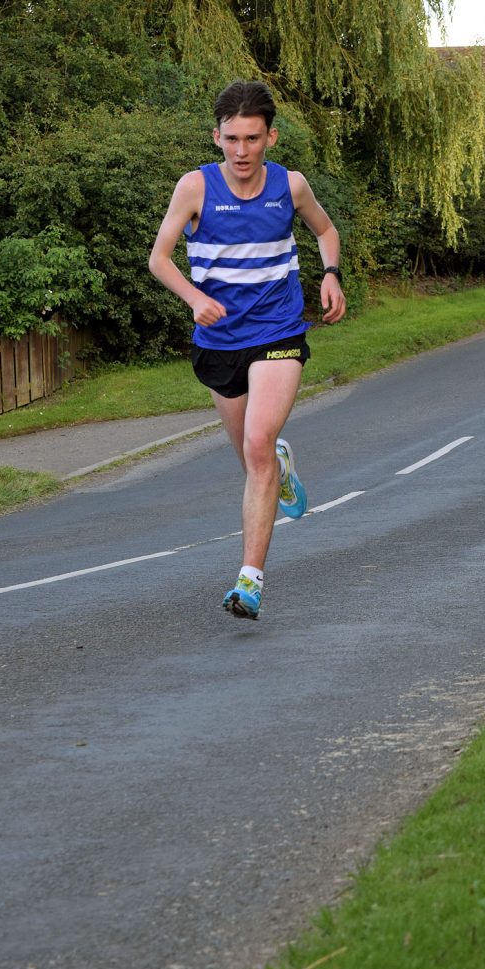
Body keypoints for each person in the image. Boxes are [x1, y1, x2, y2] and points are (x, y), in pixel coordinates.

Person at [148, 80, 346, 619]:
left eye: (252, 139)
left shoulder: (290, 185)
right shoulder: (194, 188)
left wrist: (331, 275)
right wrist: (193, 298)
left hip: (279, 329)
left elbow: (325, 231)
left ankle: (249, 581)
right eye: (232, 139)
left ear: (270, 137)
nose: (241, 151)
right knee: (252, 458)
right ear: (216, 137)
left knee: (257, 444)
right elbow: (160, 259)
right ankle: (279, 463)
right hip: (218, 339)